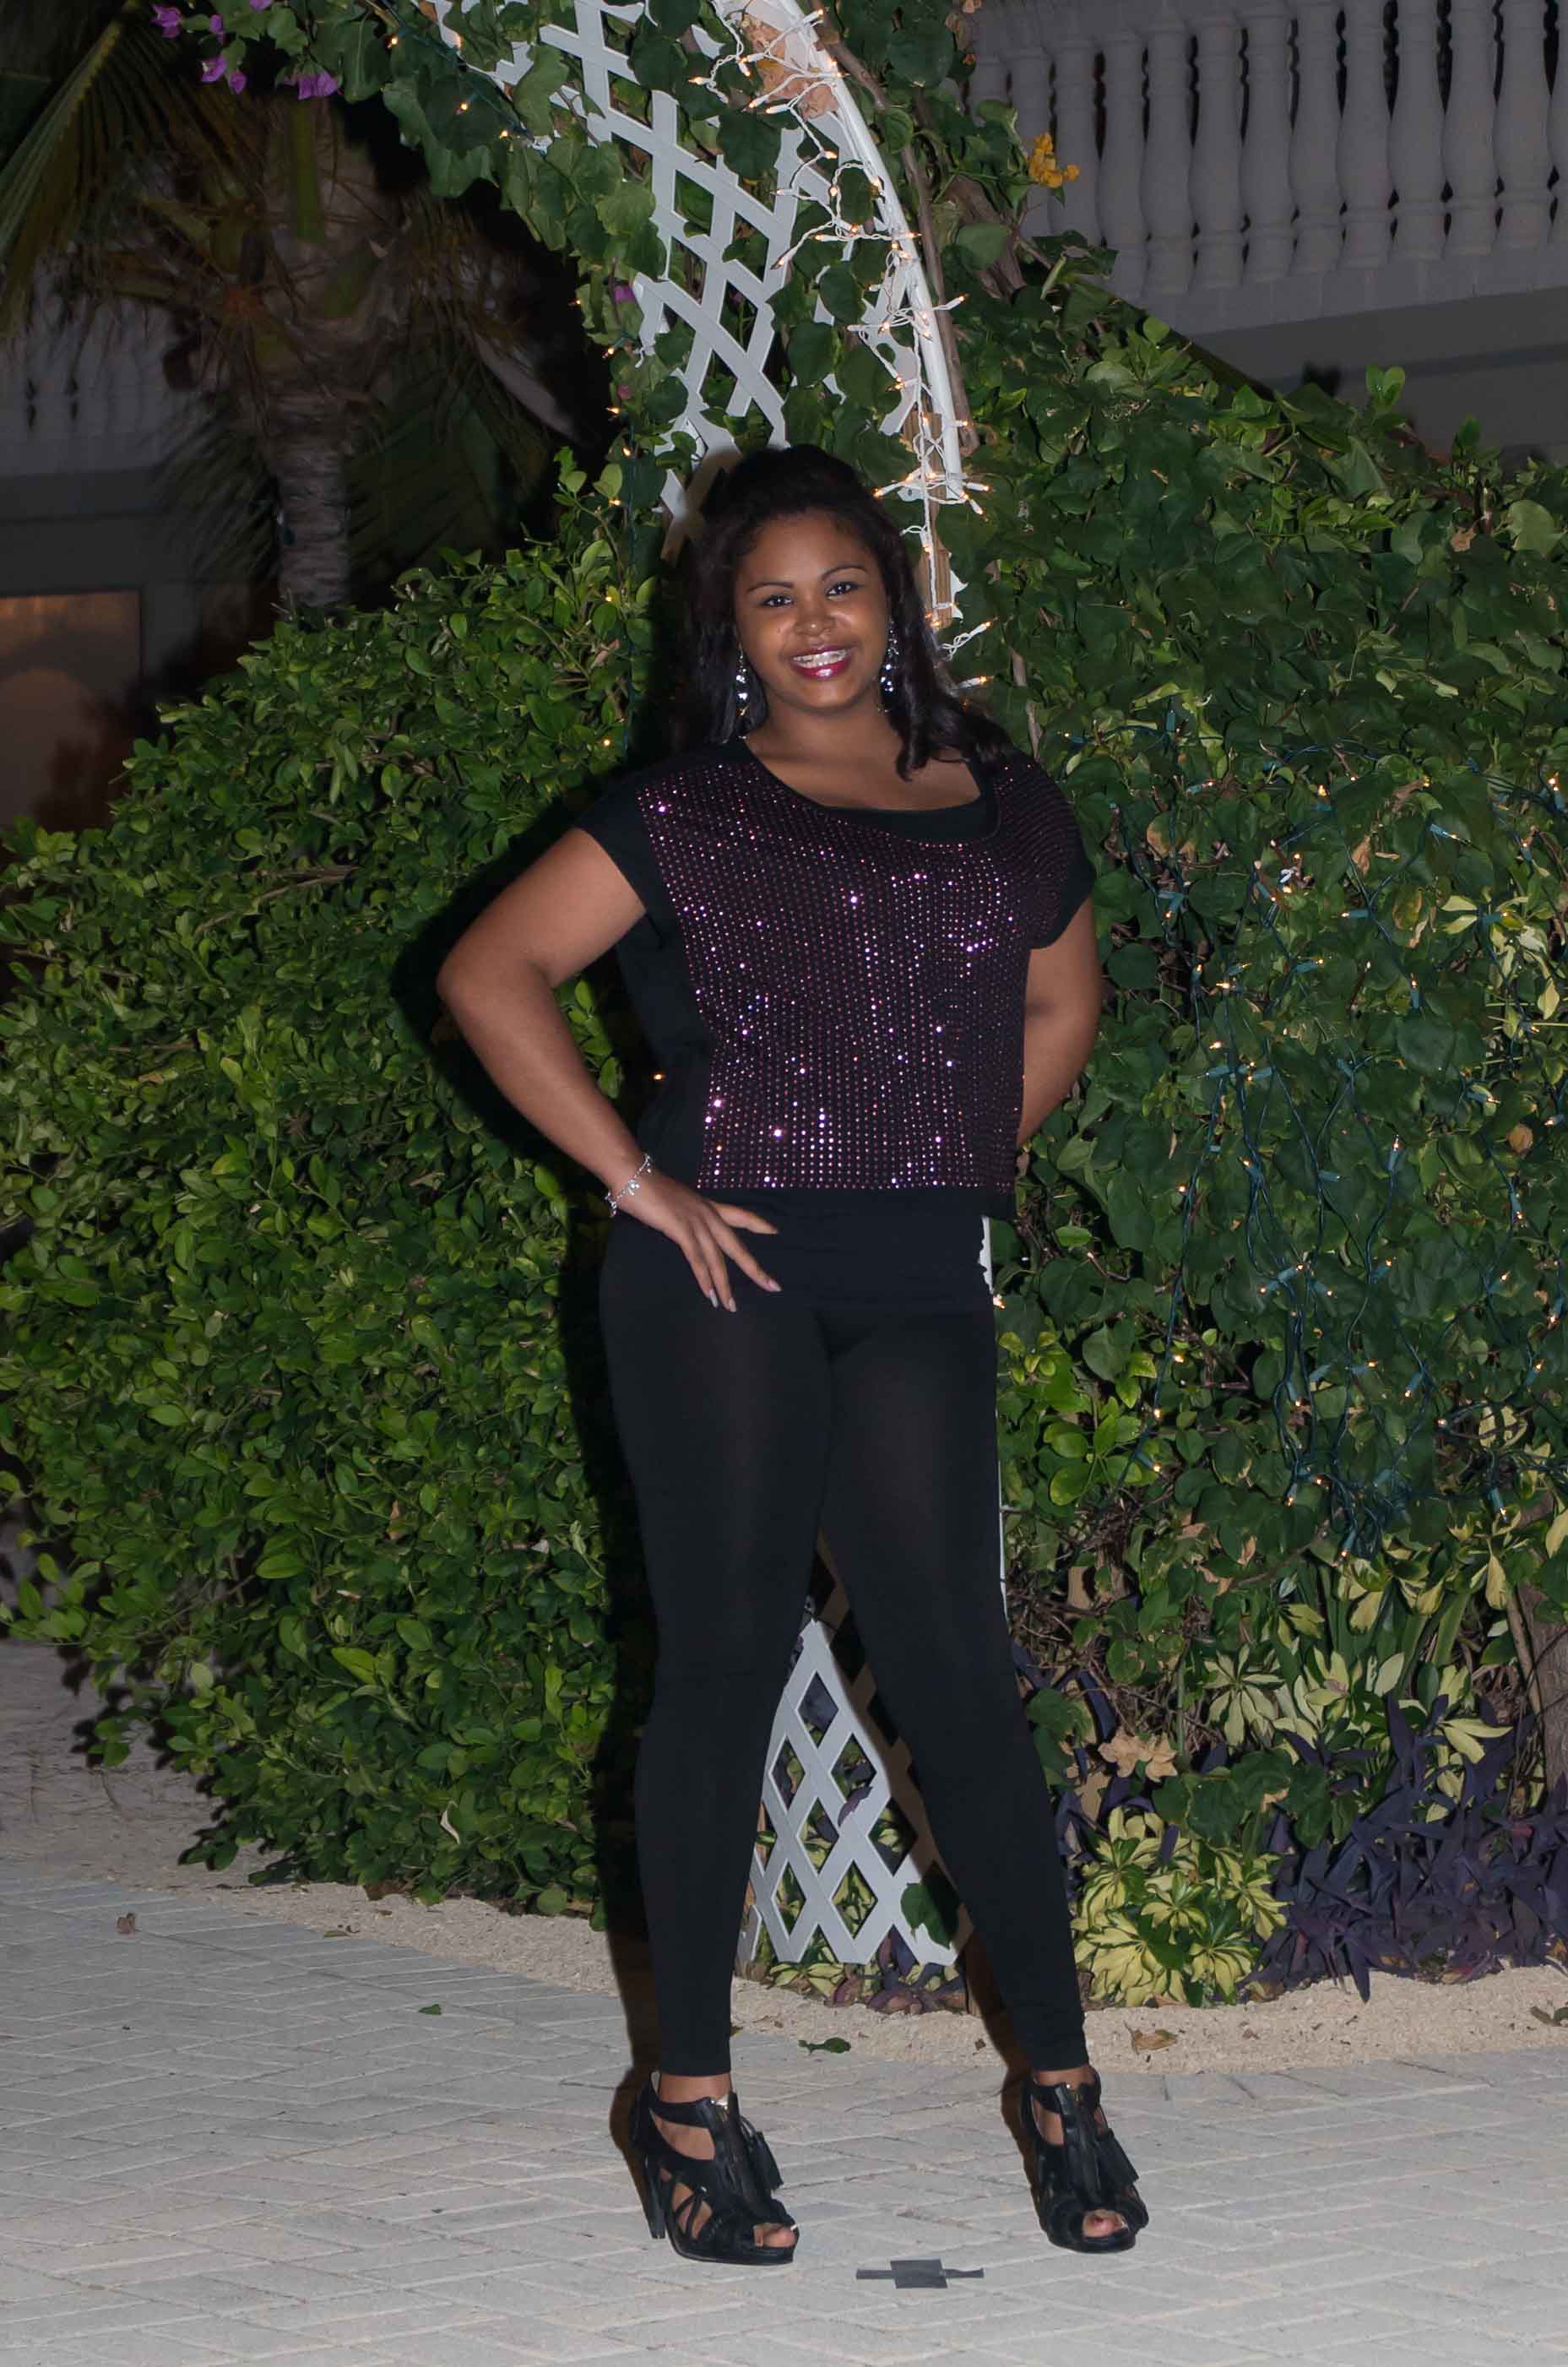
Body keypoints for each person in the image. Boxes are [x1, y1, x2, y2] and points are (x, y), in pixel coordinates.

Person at [437, 444, 1148, 2268]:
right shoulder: (690, 808)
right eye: (772, 599)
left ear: (894, 597)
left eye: (840, 585)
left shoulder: (1000, 796)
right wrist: (632, 1182)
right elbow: (491, 974)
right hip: (721, 1270)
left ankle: (1059, 2084)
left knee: (958, 1677)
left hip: (915, 1274)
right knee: (723, 1668)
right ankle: (686, 2102)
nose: (813, 623)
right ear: (729, 632)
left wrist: (959, 1152)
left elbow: (1065, 993)